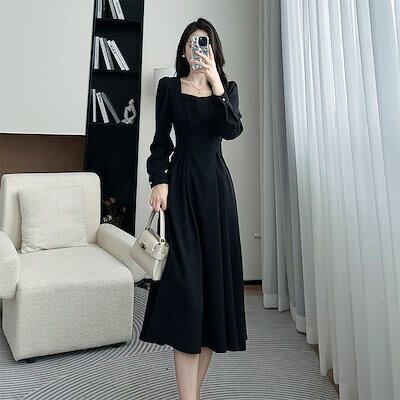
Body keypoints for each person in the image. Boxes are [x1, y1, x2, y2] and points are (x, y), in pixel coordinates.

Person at [139, 17, 248, 400]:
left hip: (216, 194)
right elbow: (159, 143)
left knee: (212, 297)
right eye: (191, 43)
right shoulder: (169, 88)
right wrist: (158, 180)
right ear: (183, 50)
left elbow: (232, 130)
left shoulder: (227, 89)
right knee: (186, 294)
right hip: (182, 191)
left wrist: (215, 81)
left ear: (213, 50)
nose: (197, 49)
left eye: (204, 43)